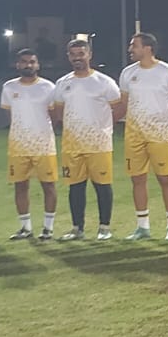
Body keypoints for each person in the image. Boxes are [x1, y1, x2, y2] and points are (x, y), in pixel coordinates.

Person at [118, 32, 168, 241]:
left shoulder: (167, 72)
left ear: (147, 48)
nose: (130, 49)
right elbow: (124, 104)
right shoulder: (128, 73)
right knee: (137, 179)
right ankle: (143, 227)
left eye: (134, 45)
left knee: (165, 179)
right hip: (134, 136)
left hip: (161, 137)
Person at [51, 38, 122, 240]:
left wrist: (104, 127)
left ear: (89, 55)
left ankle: (104, 228)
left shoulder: (104, 82)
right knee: (75, 187)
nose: (77, 58)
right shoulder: (62, 83)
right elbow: (59, 113)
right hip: (72, 145)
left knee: (102, 186)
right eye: (73, 55)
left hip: (99, 145)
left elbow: (119, 108)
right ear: (68, 57)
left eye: (81, 54)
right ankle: (77, 228)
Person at [0, 48, 58, 240]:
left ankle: (48, 228)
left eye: (32, 61)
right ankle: (25, 228)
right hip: (18, 145)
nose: (28, 65)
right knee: (20, 186)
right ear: (17, 65)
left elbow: (54, 115)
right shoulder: (9, 87)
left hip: (44, 145)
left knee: (48, 186)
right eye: (24, 62)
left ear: (38, 65)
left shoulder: (48, 87)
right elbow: (10, 114)